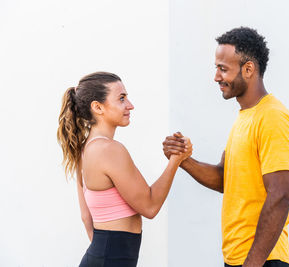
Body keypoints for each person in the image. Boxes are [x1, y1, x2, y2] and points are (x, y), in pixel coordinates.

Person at [163, 27, 289, 267]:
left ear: (248, 69)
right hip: (239, 259)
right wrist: (183, 160)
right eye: (216, 68)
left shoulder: (273, 117)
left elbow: (281, 195)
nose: (216, 77)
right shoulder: (245, 118)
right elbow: (226, 179)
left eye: (223, 69)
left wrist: (253, 262)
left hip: (262, 260)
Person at [57, 72, 192, 267]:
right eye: (121, 98)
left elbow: (87, 218)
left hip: (103, 257)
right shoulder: (109, 150)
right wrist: (176, 160)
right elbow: (150, 206)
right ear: (97, 107)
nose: (130, 105)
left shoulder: (85, 148)